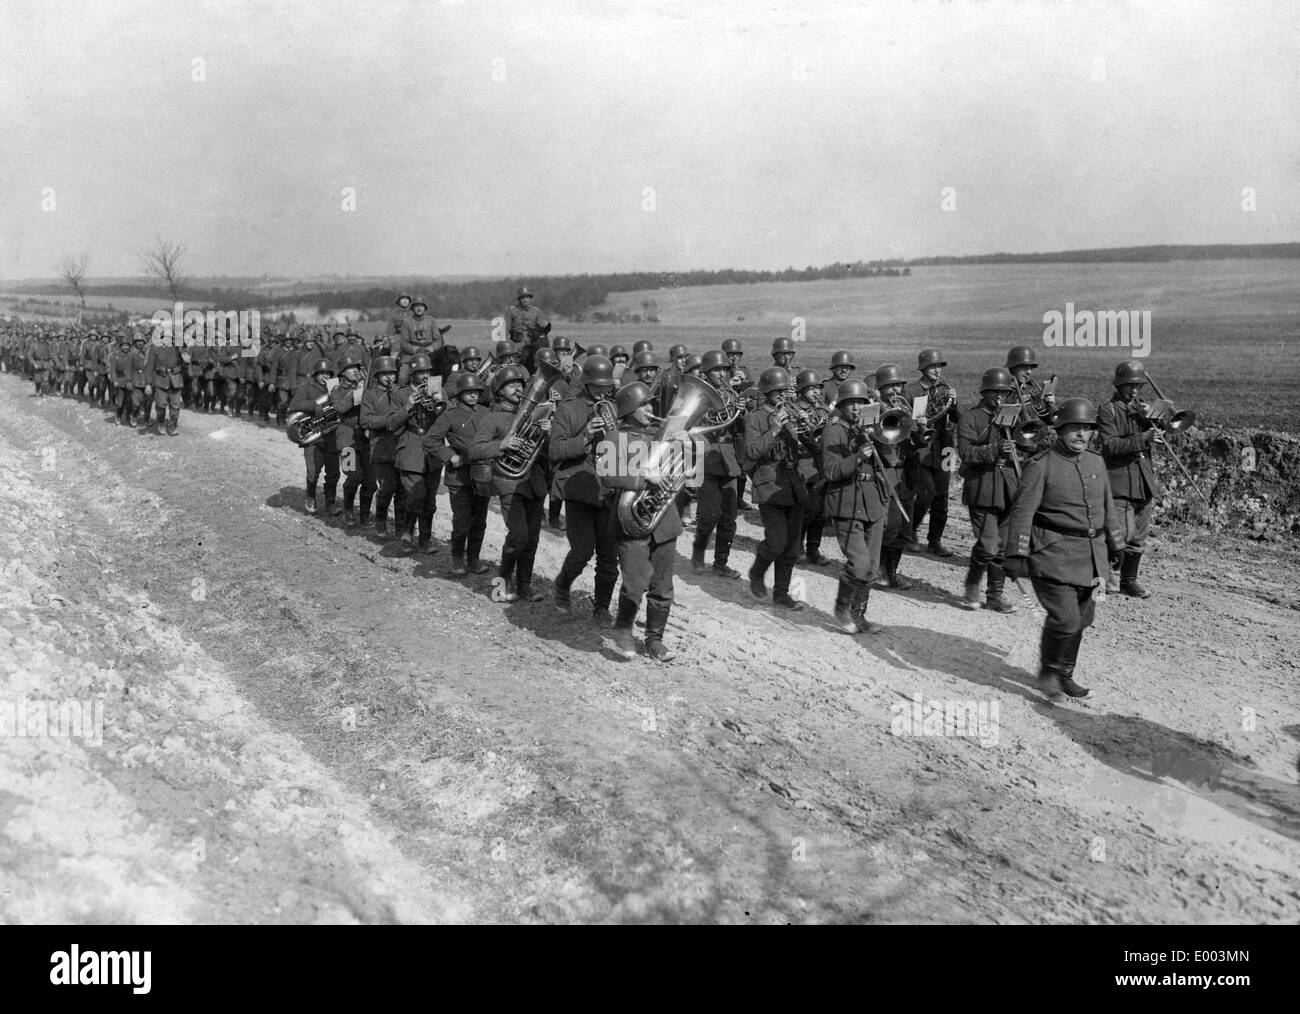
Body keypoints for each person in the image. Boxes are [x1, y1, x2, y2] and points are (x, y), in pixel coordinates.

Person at [1004, 398, 1124, 701]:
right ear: (1060, 430)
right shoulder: (1041, 464)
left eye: (1087, 429)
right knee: (1066, 618)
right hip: (1052, 554)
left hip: (1092, 555)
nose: (1081, 435)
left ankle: (1065, 674)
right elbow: (1022, 511)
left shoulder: (1096, 462)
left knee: (1083, 618)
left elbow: (1107, 505)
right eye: (1074, 429)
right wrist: (1017, 553)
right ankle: (1048, 672)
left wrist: (1116, 542)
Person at [598, 381, 681, 661]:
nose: (649, 409)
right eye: (644, 405)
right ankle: (623, 627)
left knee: (663, 586)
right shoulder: (612, 438)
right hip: (630, 520)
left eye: (650, 404)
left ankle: (655, 640)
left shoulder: (660, 435)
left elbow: (689, 467)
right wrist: (642, 475)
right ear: (629, 410)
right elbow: (607, 475)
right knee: (635, 583)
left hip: (664, 519)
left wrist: (682, 438)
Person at [548, 355, 620, 620]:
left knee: (609, 557)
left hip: (609, 489)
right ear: (586, 382)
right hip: (579, 489)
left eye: (606, 386)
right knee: (582, 551)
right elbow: (555, 450)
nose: (603, 390)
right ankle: (563, 585)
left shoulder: (614, 407)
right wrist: (585, 436)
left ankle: (601, 607)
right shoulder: (569, 408)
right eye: (598, 385)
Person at [469, 365, 549, 602]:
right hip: (509, 484)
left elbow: (545, 453)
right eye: (511, 385)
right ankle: (501, 583)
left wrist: (548, 433)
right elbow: (474, 450)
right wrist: (501, 445)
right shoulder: (492, 418)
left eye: (520, 384)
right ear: (499, 391)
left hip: (533, 483)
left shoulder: (534, 414)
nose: (518, 388)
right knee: (519, 536)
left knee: (532, 539)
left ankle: (524, 585)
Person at [821, 379, 889, 634]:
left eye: (861, 404)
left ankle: (858, 616)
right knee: (859, 564)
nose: (856, 408)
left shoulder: (872, 429)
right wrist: (858, 456)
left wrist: (880, 440)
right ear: (842, 405)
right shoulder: (834, 430)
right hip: (846, 502)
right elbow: (830, 471)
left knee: (871, 567)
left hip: (873, 501)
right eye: (852, 404)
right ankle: (841, 608)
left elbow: (891, 461)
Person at [742, 367, 808, 610]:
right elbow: (751, 451)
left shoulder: (792, 413)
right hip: (769, 483)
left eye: (784, 391)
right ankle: (757, 572)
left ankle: (781, 594)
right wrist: (774, 431)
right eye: (777, 391)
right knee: (776, 542)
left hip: (793, 484)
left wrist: (807, 430)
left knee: (791, 547)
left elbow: (808, 447)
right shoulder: (756, 417)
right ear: (767, 391)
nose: (782, 395)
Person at [955, 367, 1021, 612]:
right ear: (985, 392)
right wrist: (995, 448)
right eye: (996, 392)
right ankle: (972, 585)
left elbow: (1030, 440)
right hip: (982, 487)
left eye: (1005, 392)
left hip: (1008, 487)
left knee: (1002, 547)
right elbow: (966, 453)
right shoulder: (971, 418)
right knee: (988, 544)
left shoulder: (1014, 416)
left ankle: (995, 595)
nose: (1000, 397)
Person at [1096, 360, 1163, 597]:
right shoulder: (1108, 410)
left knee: (1139, 536)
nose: (1134, 391)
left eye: (1138, 386)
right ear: (1119, 385)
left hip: (1143, 480)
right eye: (1129, 386)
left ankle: (1129, 580)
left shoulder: (1142, 408)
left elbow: (1167, 430)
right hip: (1118, 482)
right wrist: (1144, 438)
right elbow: (1110, 445)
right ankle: (1098, 580)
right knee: (1119, 534)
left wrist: (1160, 419)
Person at [426, 371, 492, 570]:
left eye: (476, 392)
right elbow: (430, 439)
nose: (473, 395)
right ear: (460, 393)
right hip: (459, 476)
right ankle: (456, 557)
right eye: (468, 392)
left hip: (482, 474)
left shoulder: (486, 413)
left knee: (479, 521)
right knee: (462, 519)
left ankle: (473, 560)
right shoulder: (450, 414)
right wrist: (449, 455)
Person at [874, 363, 931, 590]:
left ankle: (892, 571)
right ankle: (878, 570)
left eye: (898, 385)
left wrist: (920, 429)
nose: (896, 390)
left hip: (906, 474)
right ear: (880, 388)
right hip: (885, 473)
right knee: (890, 526)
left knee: (904, 529)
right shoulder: (875, 410)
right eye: (890, 386)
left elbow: (916, 444)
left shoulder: (905, 409)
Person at [690, 351, 743, 578]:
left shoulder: (731, 394)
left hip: (728, 461)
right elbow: (689, 423)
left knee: (729, 517)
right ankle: (698, 553)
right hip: (706, 459)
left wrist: (742, 409)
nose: (721, 374)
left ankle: (721, 563)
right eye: (716, 370)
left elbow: (740, 429)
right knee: (710, 514)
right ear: (706, 372)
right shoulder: (697, 394)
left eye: (724, 370)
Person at [906, 348, 959, 556]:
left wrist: (954, 404)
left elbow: (956, 419)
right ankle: (909, 532)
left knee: (942, 498)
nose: (937, 370)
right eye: (932, 367)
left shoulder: (946, 390)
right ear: (923, 369)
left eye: (939, 366)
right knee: (926, 494)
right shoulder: (911, 391)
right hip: (921, 450)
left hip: (945, 449)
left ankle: (935, 541)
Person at [395, 353, 445, 553]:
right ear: (412, 374)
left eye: (427, 372)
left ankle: (425, 541)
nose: (425, 376)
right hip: (411, 448)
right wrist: (408, 406)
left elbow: (448, 416)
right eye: (420, 373)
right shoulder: (401, 393)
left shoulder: (437, 389)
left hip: (433, 451)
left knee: (430, 501)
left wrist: (441, 404)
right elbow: (392, 424)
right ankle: (407, 532)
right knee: (416, 495)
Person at [359, 355, 408, 538]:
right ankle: (380, 522)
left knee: (403, 489)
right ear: (377, 375)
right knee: (387, 487)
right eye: (384, 374)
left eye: (392, 373)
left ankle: (401, 528)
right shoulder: (371, 394)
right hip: (381, 447)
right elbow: (365, 420)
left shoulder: (402, 392)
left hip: (402, 446)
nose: (389, 377)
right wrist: (388, 420)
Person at [288, 358, 343, 516]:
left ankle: (331, 503)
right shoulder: (308, 387)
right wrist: (314, 406)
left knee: (334, 472)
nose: (324, 376)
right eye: (321, 373)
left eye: (327, 373)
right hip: (314, 437)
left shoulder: (336, 387)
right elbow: (294, 405)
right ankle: (310, 497)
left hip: (332, 437)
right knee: (313, 471)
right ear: (315, 375)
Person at [330, 352, 376, 528]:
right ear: (342, 373)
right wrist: (356, 394)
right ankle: (348, 510)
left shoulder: (365, 387)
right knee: (354, 476)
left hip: (365, 440)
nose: (355, 371)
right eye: (350, 369)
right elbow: (340, 408)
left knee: (371, 481)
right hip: (346, 441)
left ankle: (364, 516)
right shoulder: (336, 390)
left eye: (357, 368)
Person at [794, 369, 831, 565]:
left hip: (820, 467)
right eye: (811, 389)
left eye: (818, 389)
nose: (816, 393)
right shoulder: (792, 411)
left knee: (822, 512)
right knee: (807, 510)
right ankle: (797, 546)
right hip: (802, 467)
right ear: (801, 391)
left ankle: (813, 549)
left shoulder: (823, 411)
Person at [143, 333, 188, 436]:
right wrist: (148, 384)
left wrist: (185, 358)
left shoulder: (178, 347)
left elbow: (186, 364)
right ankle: (161, 422)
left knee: (175, 405)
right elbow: (149, 367)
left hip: (176, 380)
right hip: (160, 380)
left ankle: (172, 426)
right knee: (161, 404)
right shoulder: (155, 348)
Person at [506, 286, 550, 369]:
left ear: (530, 299)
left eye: (527, 297)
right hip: (515, 343)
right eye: (522, 297)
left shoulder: (537, 311)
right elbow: (505, 329)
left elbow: (542, 329)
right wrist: (507, 345)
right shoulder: (511, 311)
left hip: (532, 343)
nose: (525, 300)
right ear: (519, 299)